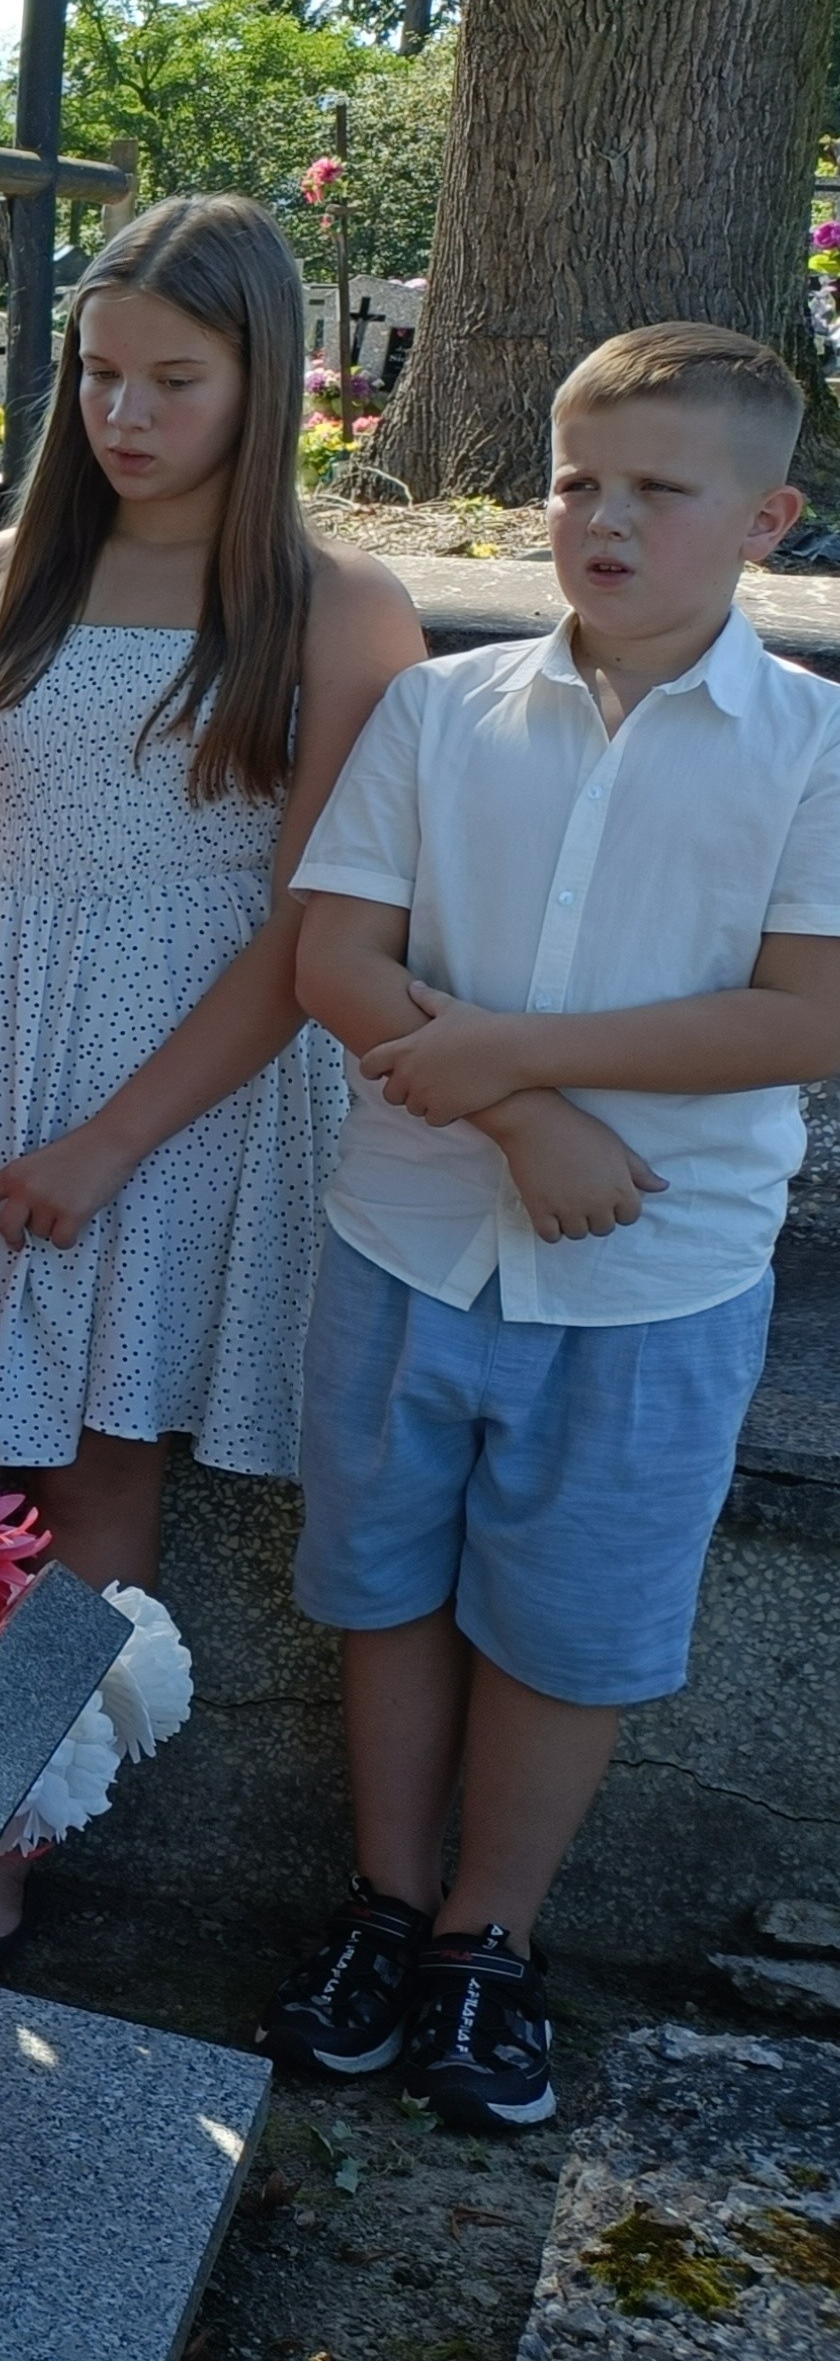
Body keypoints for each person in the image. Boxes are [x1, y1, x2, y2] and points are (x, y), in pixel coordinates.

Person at [0, 195, 424, 1950]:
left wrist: (115, 1140)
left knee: (99, 1468)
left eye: (173, 380)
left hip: (187, 1097)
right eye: (101, 373)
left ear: (264, 380)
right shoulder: (0, 582)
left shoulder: (338, 611)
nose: (125, 413)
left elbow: (311, 927)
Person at [266, 321, 839, 2131]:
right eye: (580, 480)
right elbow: (335, 958)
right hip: (412, 1237)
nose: (605, 519)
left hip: (650, 1277)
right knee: (385, 1589)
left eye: (661, 490)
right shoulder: (442, 712)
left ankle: (487, 1939)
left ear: (768, 520)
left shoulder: (812, 745)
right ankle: (384, 1905)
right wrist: (520, 1112)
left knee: (567, 1629)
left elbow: (808, 1011)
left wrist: (522, 1053)